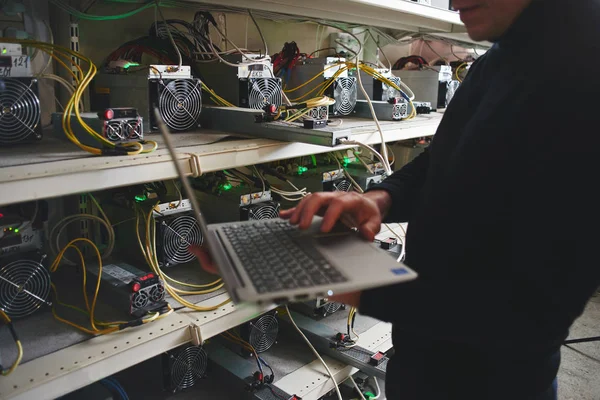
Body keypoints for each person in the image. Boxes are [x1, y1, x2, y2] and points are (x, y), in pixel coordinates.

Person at [194, 1, 600, 398]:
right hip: (425, 359)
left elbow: (532, 315)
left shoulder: (584, 72)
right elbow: (443, 161)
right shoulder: (503, 54)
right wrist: (380, 199)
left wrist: (344, 283)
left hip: (494, 381)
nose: (455, 1)